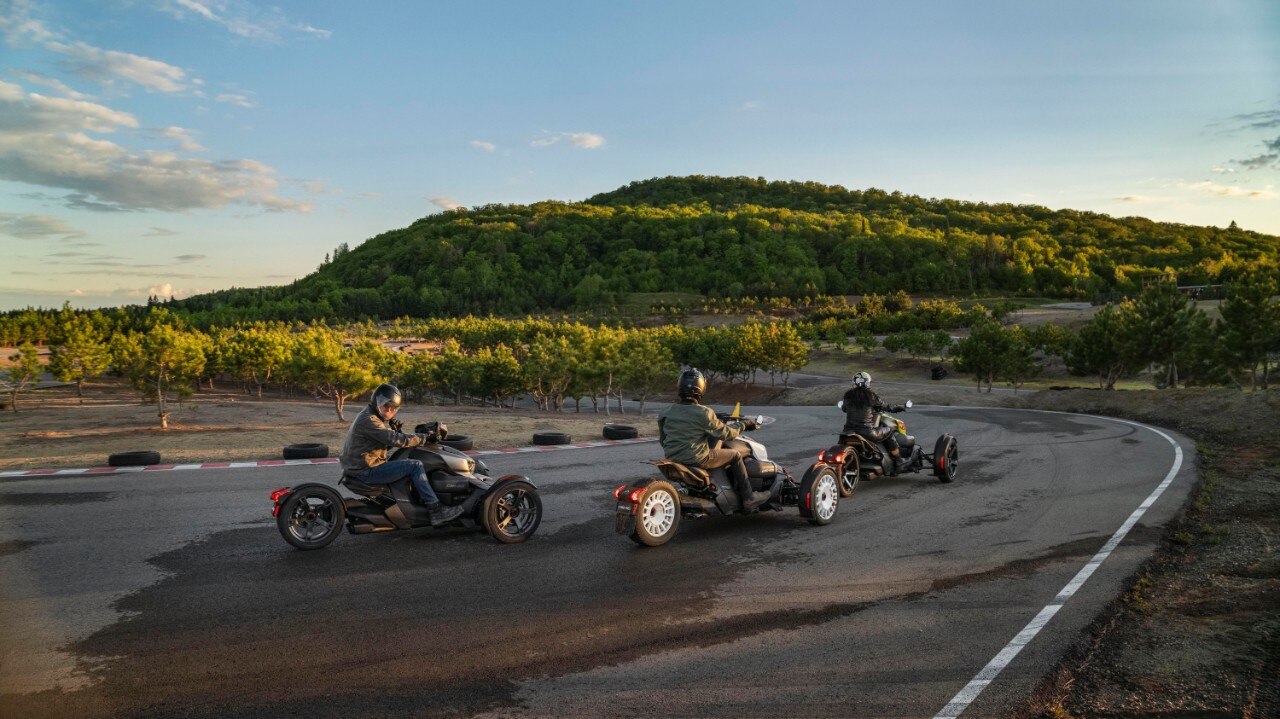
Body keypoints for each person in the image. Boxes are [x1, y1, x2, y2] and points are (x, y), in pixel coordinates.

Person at [339, 383, 464, 526]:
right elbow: (394, 439)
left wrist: (396, 431)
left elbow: (382, 441)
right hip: (366, 470)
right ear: (377, 401)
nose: (389, 410)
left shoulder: (369, 414)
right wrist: (424, 438)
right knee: (415, 465)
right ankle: (436, 510)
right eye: (386, 406)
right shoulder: (369, 420)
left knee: (405, 460)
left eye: (393, 408)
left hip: (360, 465)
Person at [658, 369, 772, 512]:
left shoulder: (666, 412)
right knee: (735, 454)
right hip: (697, 458)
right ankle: (749, 498)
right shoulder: (704, 413)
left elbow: (662, 440)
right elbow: (727, 434)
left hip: (672, 457)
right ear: (701, 388)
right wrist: (744, 424)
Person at [841, 371, 909, 472]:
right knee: (889, 431)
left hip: (848, 431)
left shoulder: (848, 396)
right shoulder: (871, 395)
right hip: (867, 432)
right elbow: (888, 407)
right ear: (867, 383)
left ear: (854, 383)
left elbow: (844, 408)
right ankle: (899, 460)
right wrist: (902, 407)